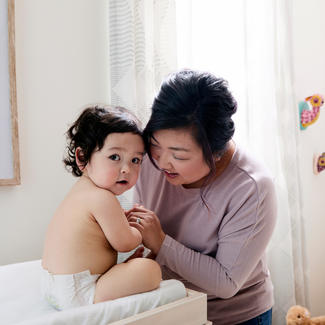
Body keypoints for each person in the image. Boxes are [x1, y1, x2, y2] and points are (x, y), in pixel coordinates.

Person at [126, 70, 277, 325]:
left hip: (234, 316)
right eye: (156, 145)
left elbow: (226, 282)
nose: (162, 162)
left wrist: (161, 243)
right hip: (171, 307)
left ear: (216, 153)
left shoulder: (252, 187)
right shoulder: (147, 160)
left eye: (179, 155)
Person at [42, 105, 161, 311]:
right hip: (79, 292)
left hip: (52, 286)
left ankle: (112, 279)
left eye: (135, 160)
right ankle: (100, 295)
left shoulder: (80, 191)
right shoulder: (102, 198)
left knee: (128, 269)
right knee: (150, 270)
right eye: (114, 157)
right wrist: (136, 229)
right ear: (82, 157)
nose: (126, 169)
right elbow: (125, 243)